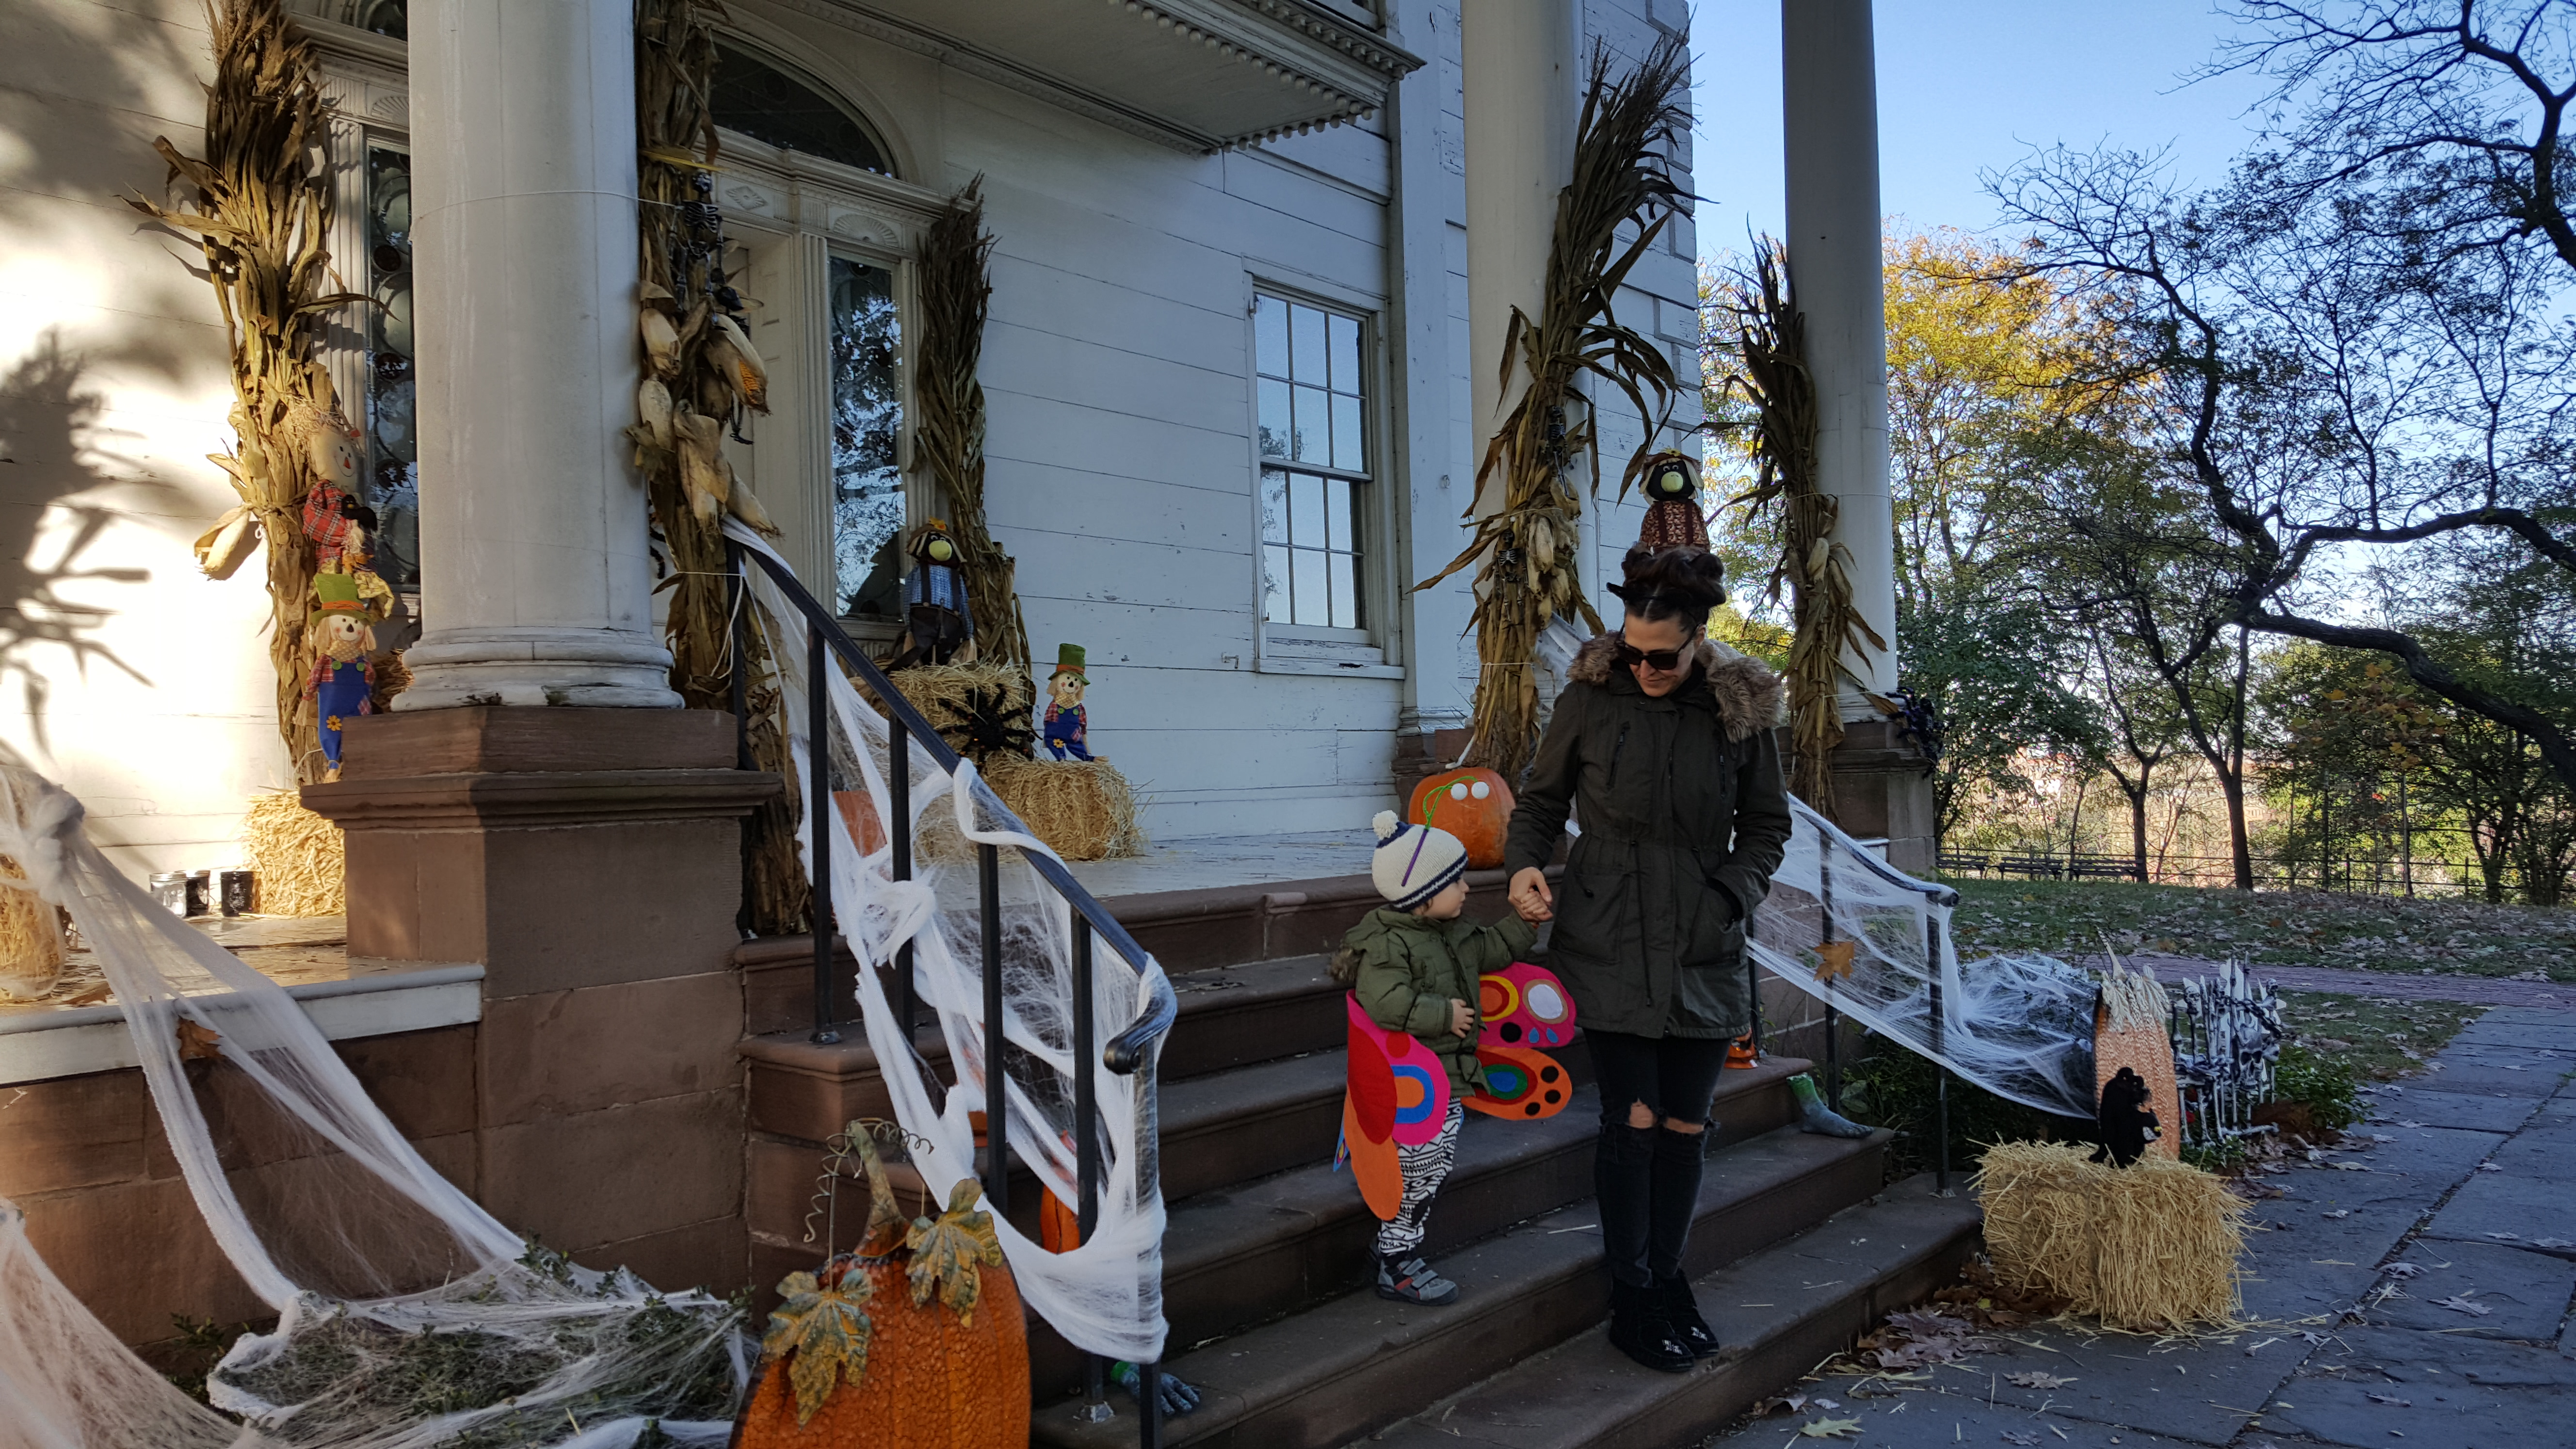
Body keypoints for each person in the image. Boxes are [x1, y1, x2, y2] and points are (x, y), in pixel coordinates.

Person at [1504, 544, 1792, 1373]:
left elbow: (1766, 826)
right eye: (1632, 652)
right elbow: (1541, 800)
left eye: (1661, 657)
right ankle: (1631, 1295)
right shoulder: (1590, 697)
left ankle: (1669, 1277)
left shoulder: (1739, 711)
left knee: (1685, 1125)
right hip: (1608, 933)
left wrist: (1728, 897)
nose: (1644, 668)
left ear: (1699, 638)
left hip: (1702, 938)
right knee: (1631, 1121)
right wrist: (1525, 865)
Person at [1332, 810, 1542, 1305]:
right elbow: (1385, 1001)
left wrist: (1525, 923)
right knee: (1413, 1174)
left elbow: (1493, 948)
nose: (1466, 889)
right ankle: (1395, 1260)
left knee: (1432, 1168)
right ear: (1420, 893)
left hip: (1446, 1081)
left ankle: (1397, 1250)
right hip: (1409, 1089)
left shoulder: (1454, 932)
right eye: (1454, 882)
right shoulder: (1387, 944)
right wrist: (1442, 1014)